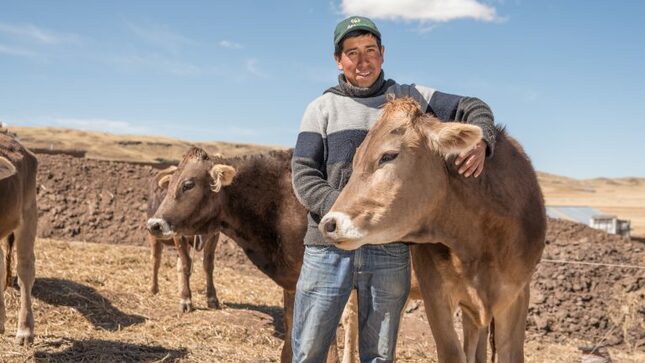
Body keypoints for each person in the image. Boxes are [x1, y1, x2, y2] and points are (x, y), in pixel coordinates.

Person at [291, 16, 497, 362]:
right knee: (310, 349)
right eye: (352, 52)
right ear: (338, 61)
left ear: (383, 54)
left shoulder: (413, 98)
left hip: (388, 250)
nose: (362, 60)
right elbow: (303, 173)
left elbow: (473, 106)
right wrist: (342, 211)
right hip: (328, 245)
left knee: (380, 354)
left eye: (370, 50)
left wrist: (482, 142)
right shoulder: (321, 108)